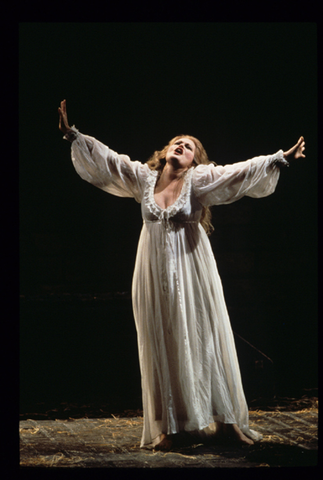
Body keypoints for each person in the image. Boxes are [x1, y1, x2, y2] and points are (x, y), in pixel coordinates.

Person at [58, 99, 305, 451]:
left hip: (193, 272)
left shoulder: (199, 179)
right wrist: (73, 135)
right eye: (178, 141)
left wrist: (279, 158)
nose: (182, 146)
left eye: (190, 146)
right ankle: (169, 428)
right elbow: (110, 161)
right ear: (165, 151)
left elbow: (236, 172)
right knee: (161, 341)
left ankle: (229, 423)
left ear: (195, 159)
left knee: (207, 337)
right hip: (152, 274)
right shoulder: (144, 178)